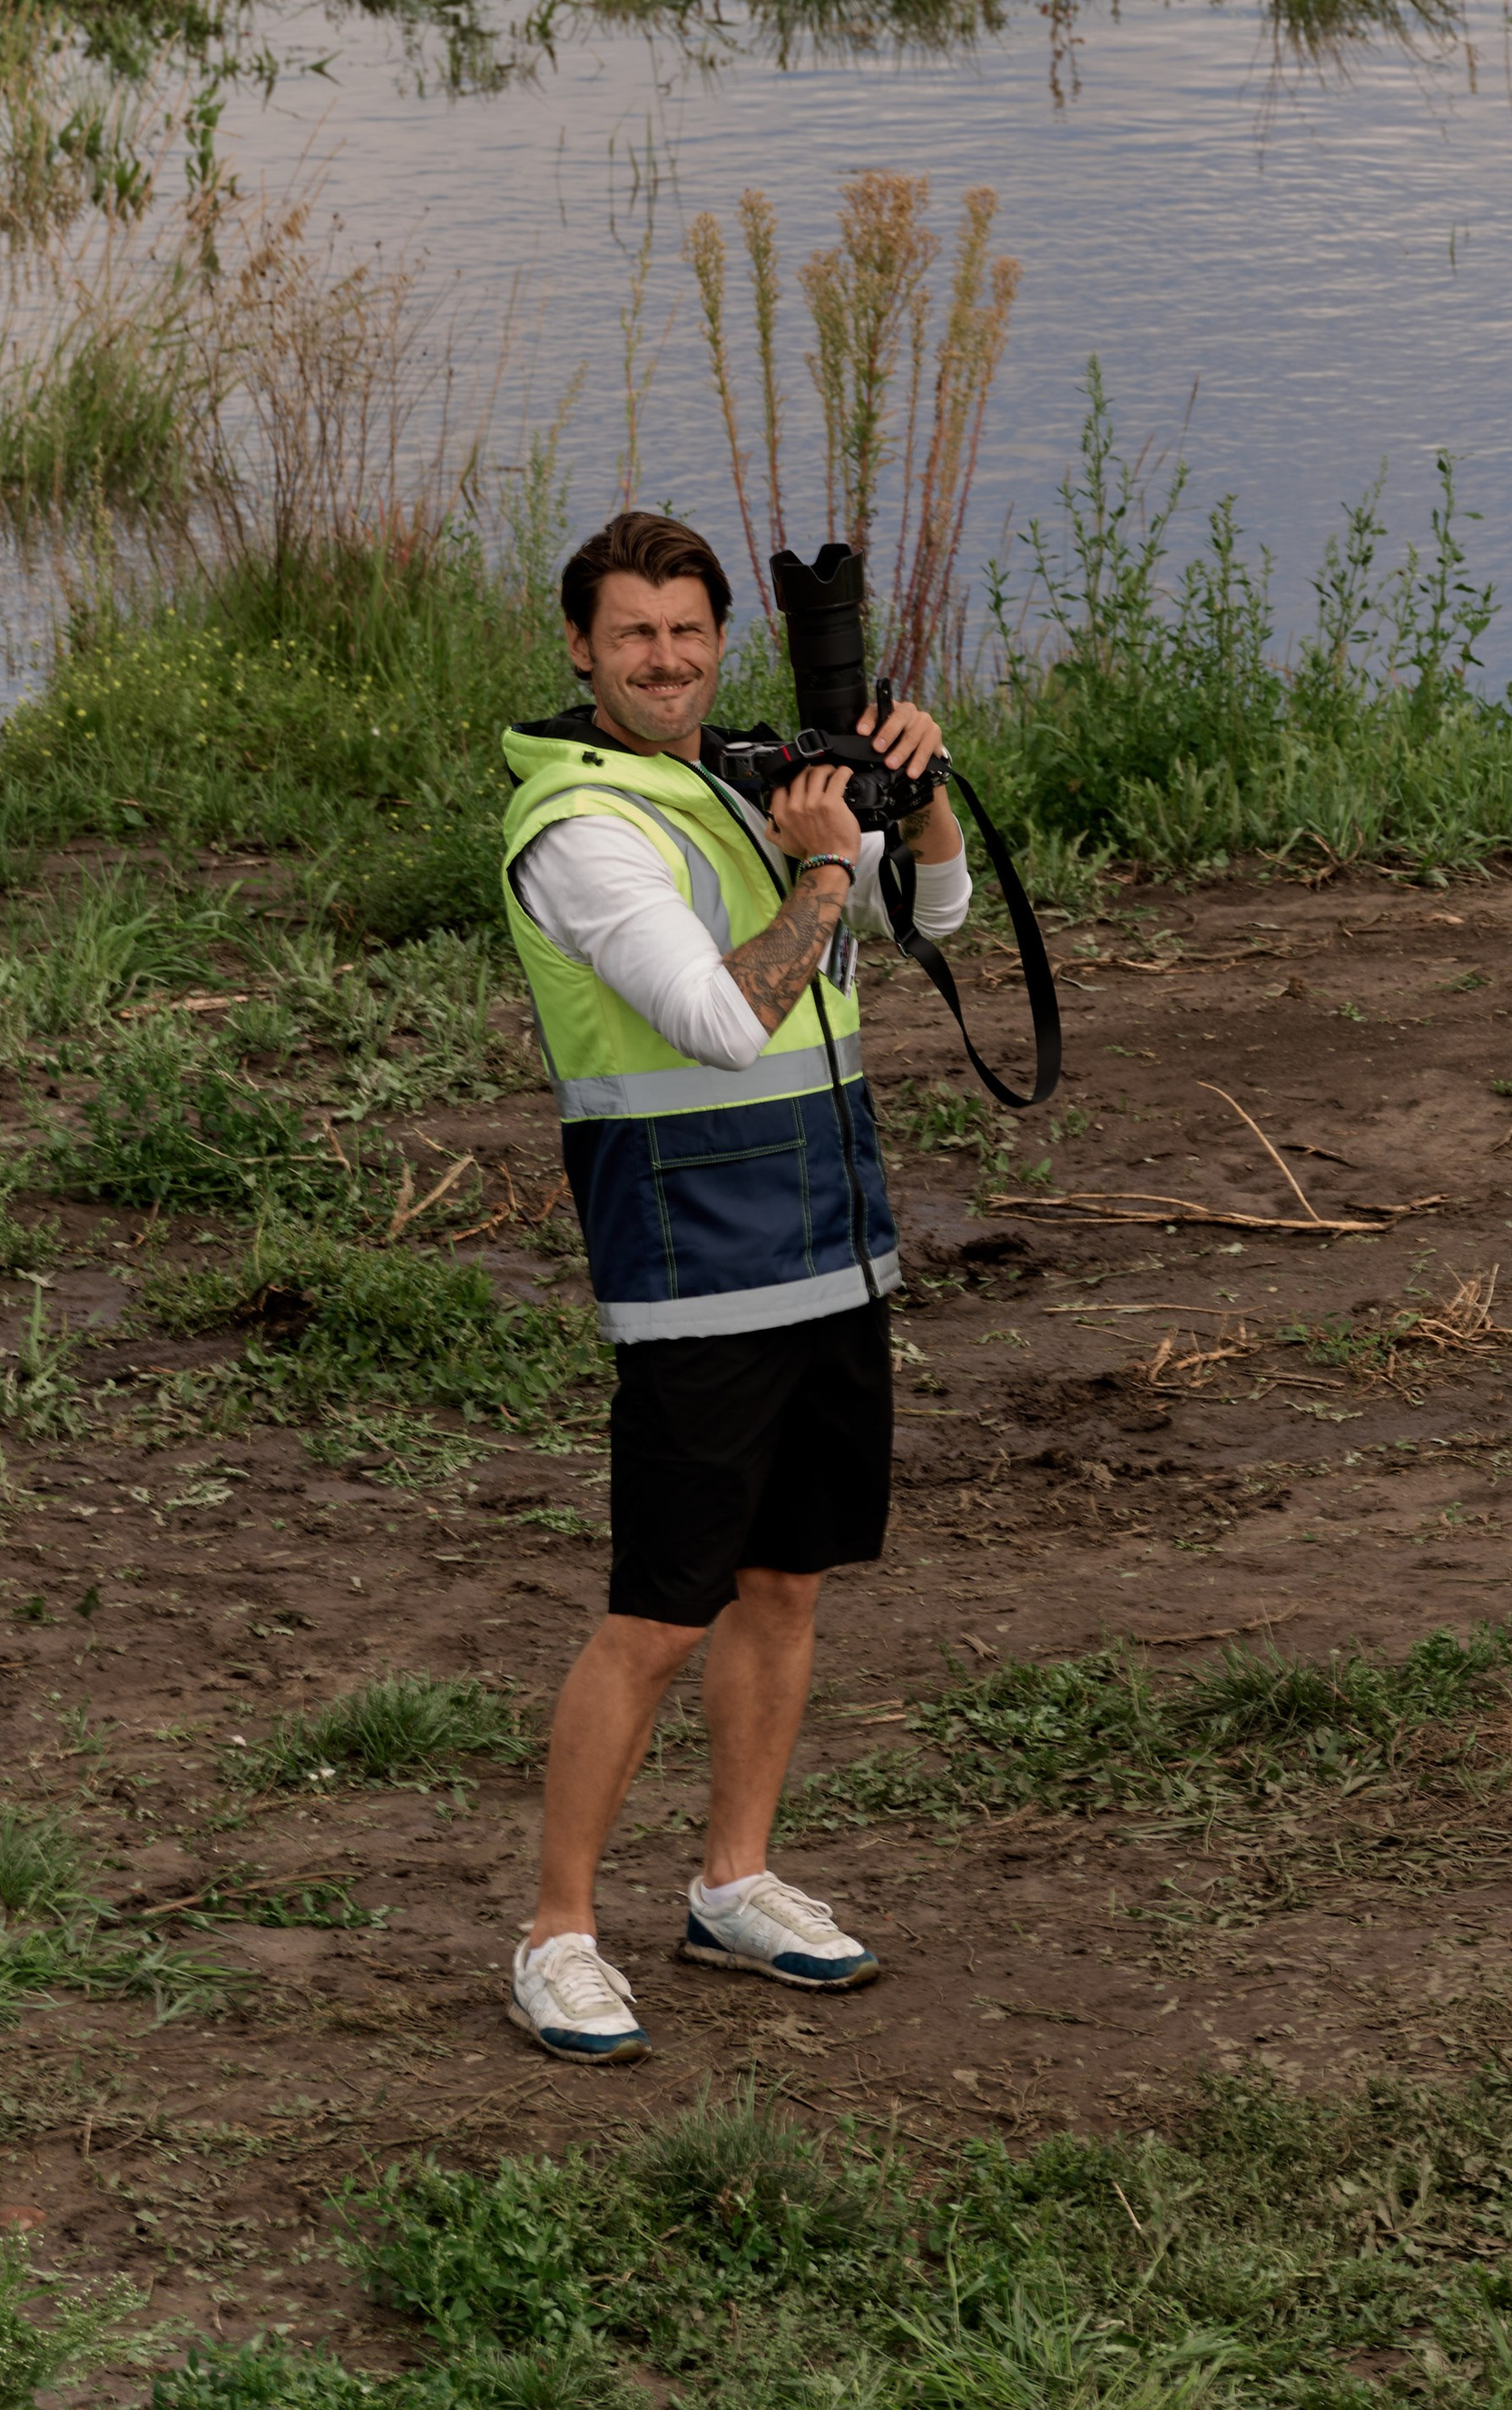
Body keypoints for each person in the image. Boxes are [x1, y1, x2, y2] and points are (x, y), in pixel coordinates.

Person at [496, 507, 968, 2064]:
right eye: (633, 632)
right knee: (659, 1611)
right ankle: (558, 1931)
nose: (667, 657)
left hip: (829, 1249)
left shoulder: (743, 781)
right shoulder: (581, 829)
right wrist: (825, 866)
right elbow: (715, 1017)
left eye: (689, 629)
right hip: (695, 1268)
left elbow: (935, 919)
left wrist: (923, 808)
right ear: (580, 648)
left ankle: (734, 1881)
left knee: (787, 1584)